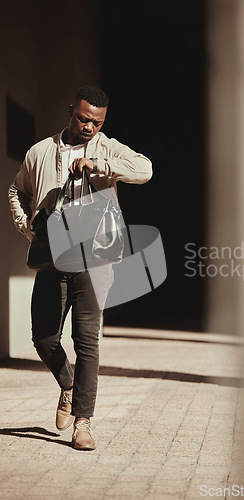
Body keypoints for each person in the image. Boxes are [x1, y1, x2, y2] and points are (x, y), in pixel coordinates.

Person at [8, 85, 152, 450]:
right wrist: (28, 227)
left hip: (96, 257)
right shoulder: (40, 151)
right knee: (43, 338)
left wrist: (100, 165)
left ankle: (83, 423)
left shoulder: (108, 147)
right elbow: (16, 191)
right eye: (83, 118)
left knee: (86, 340)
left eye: (97, 122)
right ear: (72, 110)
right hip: (53, 258)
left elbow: (145, 169)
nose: (89, 127)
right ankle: (68, 385)